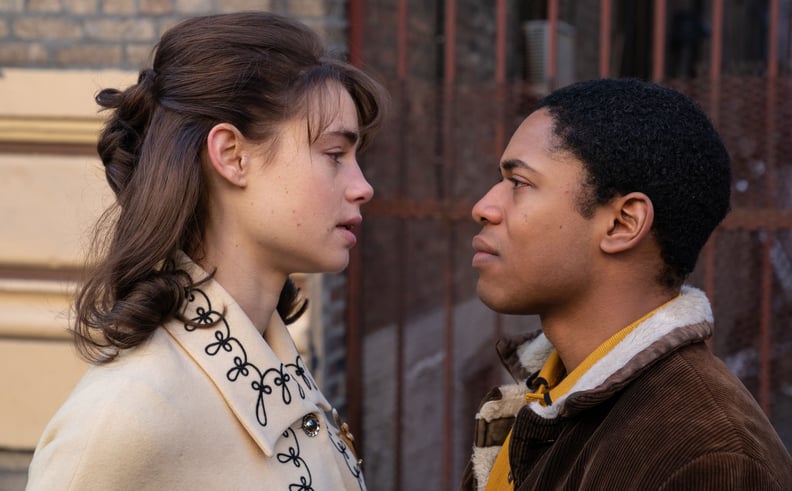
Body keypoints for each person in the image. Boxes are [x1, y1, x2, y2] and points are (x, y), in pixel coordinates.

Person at [26, 11, 386, 491]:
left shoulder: (281, 365)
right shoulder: (122, 420)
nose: (363, 187)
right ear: (233, 156)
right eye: (335, 155)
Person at [461, 79, 792, 490]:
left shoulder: (706, 456)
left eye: (519, 184)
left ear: (623, 223)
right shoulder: (548, 391)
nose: (484, 207)